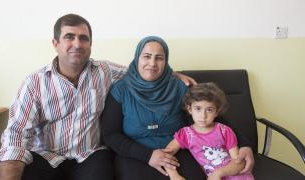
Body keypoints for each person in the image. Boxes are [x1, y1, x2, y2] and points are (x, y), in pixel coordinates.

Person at [0, 14, 196, 180]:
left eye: (83, 38)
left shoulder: (105, 71)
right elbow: (15, 136)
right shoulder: (34, 83)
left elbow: (143, 72)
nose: (77, 44)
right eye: (69, 37)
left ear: (90, 44)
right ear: (55, 43)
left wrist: (173, 75)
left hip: (90, 156)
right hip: (47, 157)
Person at [101, 36, 254, 180]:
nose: (152, 63)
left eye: (159, 58)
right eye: (146, 56)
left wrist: (245, 145)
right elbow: (110, 135)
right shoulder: (120, 90)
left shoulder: (179, 88)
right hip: (134, 153)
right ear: (137, 58)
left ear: (166, 61)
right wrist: (148, 155)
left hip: (177, 151)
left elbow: (212, 117)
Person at [165, 83, 254, 180]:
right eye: (198, 109)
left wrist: (218, 173)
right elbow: (166, 154)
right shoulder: (186, 134)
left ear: (217, 112)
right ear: (189, 109)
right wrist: (173, 175)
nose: (203, 116)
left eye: (209, 110)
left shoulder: (224, 131)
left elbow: (239, 163)